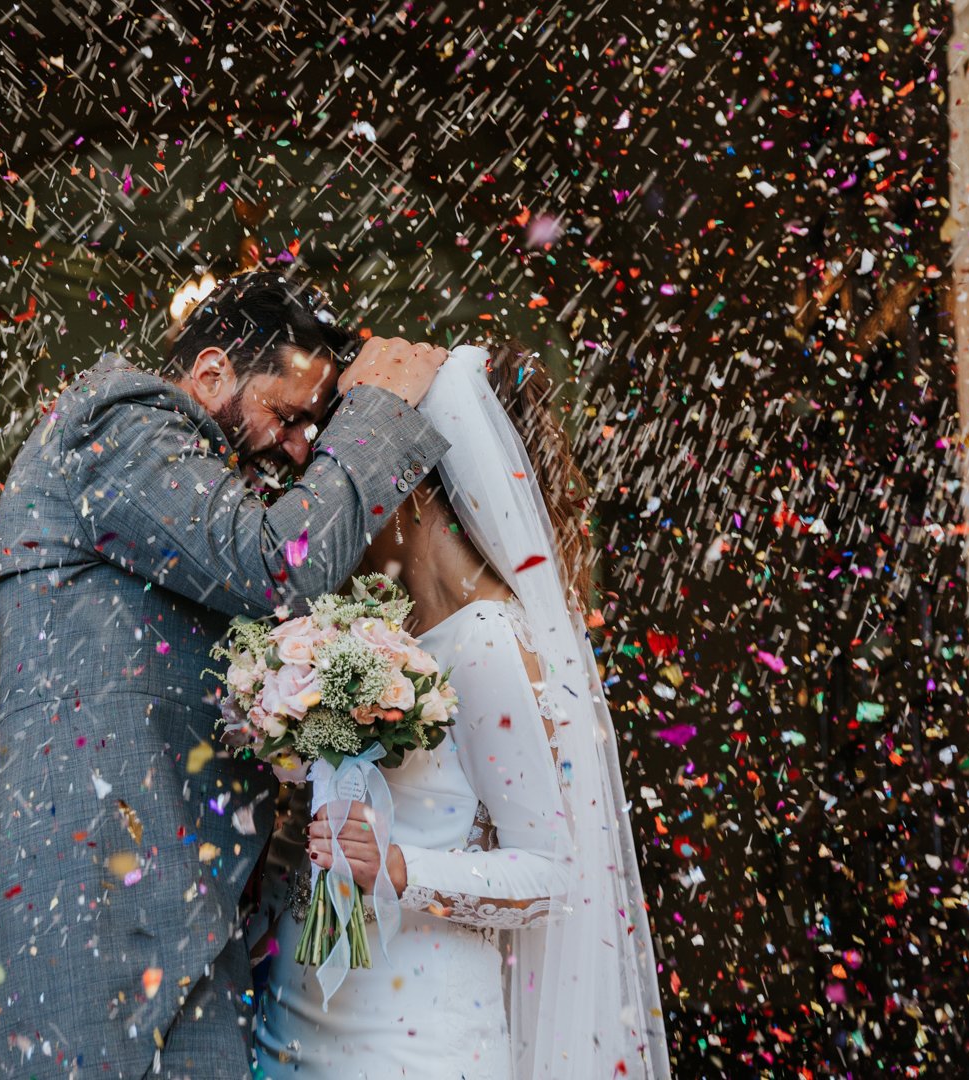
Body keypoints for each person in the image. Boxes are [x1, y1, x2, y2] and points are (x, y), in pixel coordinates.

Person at [0, 271, 452, 1078]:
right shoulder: (114, 418)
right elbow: (274, 565)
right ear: (209, 376)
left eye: (318, 425)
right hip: (95, 891)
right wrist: (379, 416)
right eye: (289, 415)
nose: (303, 447)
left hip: (188, 899)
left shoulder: (203, 477)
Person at [254, 341, 671, 1078]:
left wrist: (400, 867)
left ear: (406, 484)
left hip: (406, 1038)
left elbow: (551, 874)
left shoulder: (484, 640)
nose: (323, 491)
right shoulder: (357, 633)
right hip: (292, 1019)